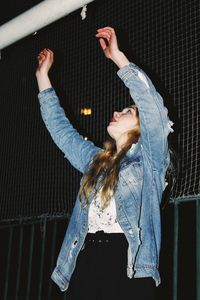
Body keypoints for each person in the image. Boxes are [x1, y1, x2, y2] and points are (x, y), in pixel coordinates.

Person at [36, 26, 174, 300]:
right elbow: (62, 132)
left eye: (126, 111)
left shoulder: (151, 160)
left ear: (141, 127)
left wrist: (118, 58)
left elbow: (153, 109)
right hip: (85, 260)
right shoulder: (96, 161)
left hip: (128, 266)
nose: (115, 112)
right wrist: (43, 77)